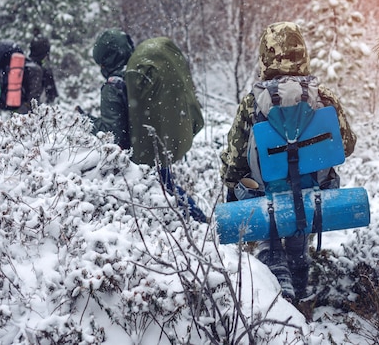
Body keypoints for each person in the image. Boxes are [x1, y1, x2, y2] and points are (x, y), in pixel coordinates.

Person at [219, 21, 357, 303]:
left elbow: (233, 163)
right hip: (313, 193)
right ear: (302, 54)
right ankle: (298, 258)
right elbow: (347, 145)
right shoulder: (323, 97)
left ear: (265, 58)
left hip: (267, 196)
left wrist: (233, 184)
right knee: (303, 191)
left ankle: (271, 256)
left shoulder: (252, 103)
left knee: (251, 185)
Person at [81, 29, 207, 223]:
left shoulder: (113, 86)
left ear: (105, 61)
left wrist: (88, 122)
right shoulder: (140, 73)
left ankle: (200, 225)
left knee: (168, 194)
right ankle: (199, 223)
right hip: (155, 145)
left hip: (138, 157)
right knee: (169, 190)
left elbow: (114, 134)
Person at [29, 30, 59, 104]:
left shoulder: (24, 65)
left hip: (17, 111)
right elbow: (52, 99)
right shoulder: (45, 71)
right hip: (35, 112)